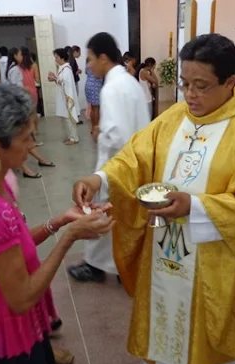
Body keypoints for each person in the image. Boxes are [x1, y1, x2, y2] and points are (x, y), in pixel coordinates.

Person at [72, 33, 235, 364]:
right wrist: (100, 179)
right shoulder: (176, 116)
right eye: (186, 83)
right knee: (164, 332)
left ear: (230, 82)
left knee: (206, 356)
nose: (190, 94)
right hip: (164, 250)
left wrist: (197, 207)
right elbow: (134, 157)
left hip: (214, 263)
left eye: (201, 85)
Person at [0, 82, 114, 364]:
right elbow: (22, 297)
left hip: (7, 315)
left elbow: (14, 243)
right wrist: (70, 237)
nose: (32, 145)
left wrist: (61, 220)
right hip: (9, 322)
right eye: (25, 138)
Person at [68, 33, 150, 283]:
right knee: (119, 215)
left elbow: (117, 135)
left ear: (104, 58)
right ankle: (119, 263)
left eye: (91, 59)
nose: (88, 65)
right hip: (136, 160)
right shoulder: (129, 82)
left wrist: (100, 133)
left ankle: (96, 266)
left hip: (116, 163)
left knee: (102, 212)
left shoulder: (112, 88)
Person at [6, 47, 54, 176]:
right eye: (19, 54)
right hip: (21, 104)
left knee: (26, 138)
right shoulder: (16, 69)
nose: (21, 56)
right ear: (16, 56)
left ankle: (39, 160)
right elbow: (18, 88)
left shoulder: (12, 68)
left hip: (19, 103)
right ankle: (28, 167)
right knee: (22, 139)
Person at [48, 48, 79, 145]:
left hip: (67, 98)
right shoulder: (63, 69)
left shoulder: (67, 69)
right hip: (63, 98)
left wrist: (55, 79)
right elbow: (61, 80)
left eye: (56, 57)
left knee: (69, 119)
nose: (56, 59)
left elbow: (66, 83)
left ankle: (74, 138)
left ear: (62, 57)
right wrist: (55, 77)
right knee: (65, 119)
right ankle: (70, 136)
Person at [84, 58, 103, 132]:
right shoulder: (95, 63)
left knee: (92, 108)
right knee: (96, 109)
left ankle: (93, 127)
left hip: (88, 84)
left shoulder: (88, 62)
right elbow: (100, 75)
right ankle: (96, 129)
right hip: (95, 86)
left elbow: (86, 72)